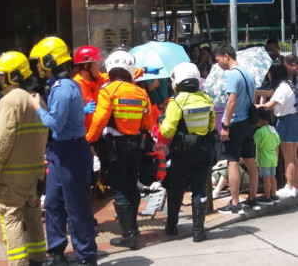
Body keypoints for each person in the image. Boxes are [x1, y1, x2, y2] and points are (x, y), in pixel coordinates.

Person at [28, 37, 97, 266]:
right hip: (60, 151)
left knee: (77, 206)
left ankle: (86, 256)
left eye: (39, 61)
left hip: (71, 152)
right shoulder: (64, 86)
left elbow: (55, 123)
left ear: (49, 60)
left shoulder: (62, 88)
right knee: (54, 203)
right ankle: (57, 253)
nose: (37, 66)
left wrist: (38, 108)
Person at [0, 51, 48, 266]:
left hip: (13, 174)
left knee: (10, 216)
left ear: (15, 75)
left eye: (3, 76)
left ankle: (18, 262)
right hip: (34, 172)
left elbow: (3, 139)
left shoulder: (9, 101)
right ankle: (38, 258)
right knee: (33, 214)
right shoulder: (36, 100)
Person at [86, 47, 152, 250]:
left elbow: (99, 120)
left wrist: (89, 140)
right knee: (132, 185)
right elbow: (148, 124)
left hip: (114, 148)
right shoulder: (141, 92)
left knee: (119, 188)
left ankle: (128, 235)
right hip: (135, 146)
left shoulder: (108, 91)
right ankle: (133, 228)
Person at [159, 62, 215, 242]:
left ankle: (172, 226)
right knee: (199, 189)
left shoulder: (177, 101)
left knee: (176, 188)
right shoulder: (206, 98)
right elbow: (212, 125)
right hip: (205, 150)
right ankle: (198, 231)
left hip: (182, 152)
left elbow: (167, 131)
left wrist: (161, 123)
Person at [215, 43, 259, 214]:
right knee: (250, 160)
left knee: (232, 161)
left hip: (236, 123)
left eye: (218, 60)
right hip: (249, 122)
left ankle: (234, 203)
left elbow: (231, 101)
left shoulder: (233, 75)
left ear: (226, 56)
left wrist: (225, 126)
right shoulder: (248, 73)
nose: (218, 63)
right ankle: (252, 199)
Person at [260, 60, 298, 197]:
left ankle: (290, 186)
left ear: (273, 73)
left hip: (285, 121)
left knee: (287, 156)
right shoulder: (290, 84)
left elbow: (268, 106)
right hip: (293, 120)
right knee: (293, 155)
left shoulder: (282, 88)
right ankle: (295, 184)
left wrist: (255, 106)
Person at [254, 106, 280, 205]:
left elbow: (254, 142)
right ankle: (274, 195)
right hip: (273, 158)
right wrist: (277, 157)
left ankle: (267, 197)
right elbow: (277, 145)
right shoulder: (273, 129)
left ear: (258, 119)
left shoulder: (259, 132)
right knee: (273, 177)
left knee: (266, 179)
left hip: (263, 159)